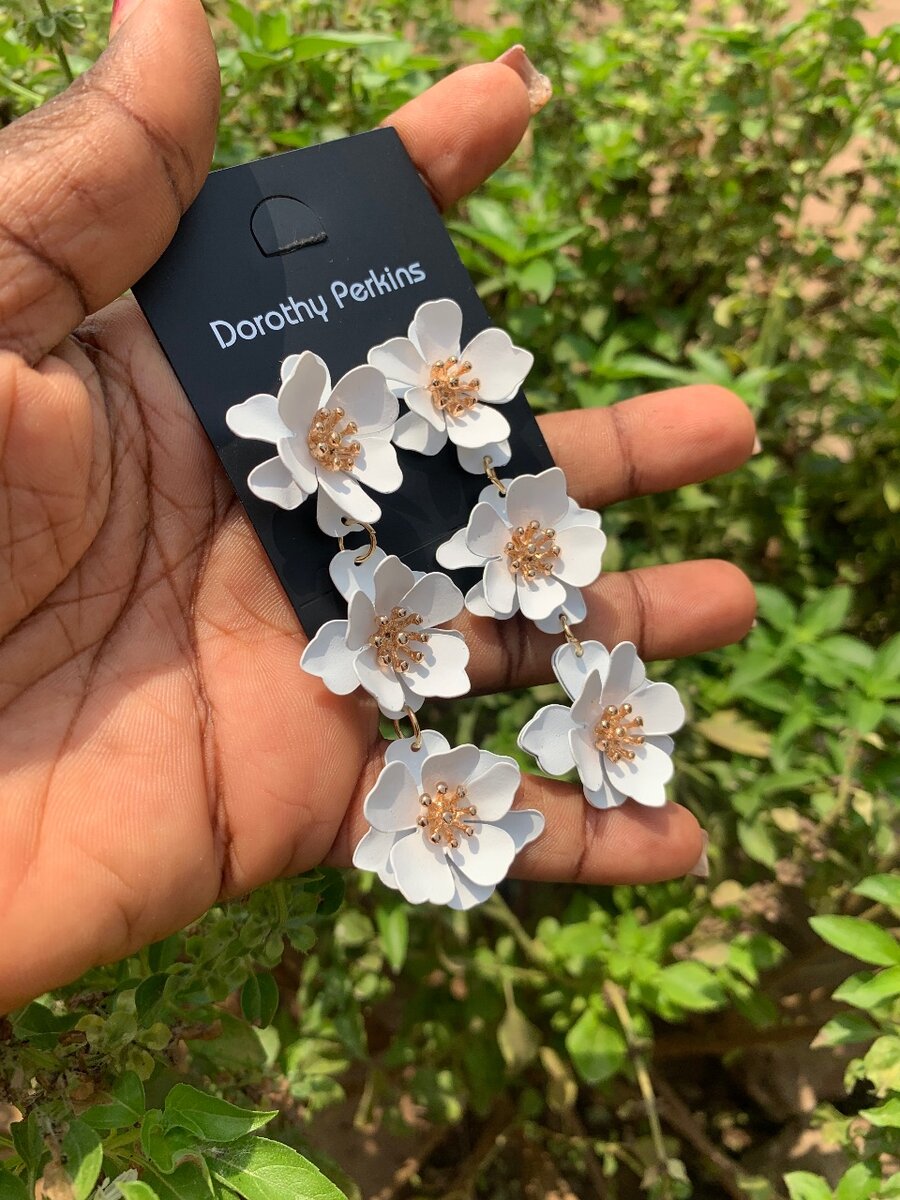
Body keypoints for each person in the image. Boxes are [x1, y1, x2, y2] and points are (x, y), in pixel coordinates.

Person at [0, 0, 757, 1014]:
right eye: (443, 812)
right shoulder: (327, 458)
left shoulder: (450, 494)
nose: (440, 808)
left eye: (437, 813)